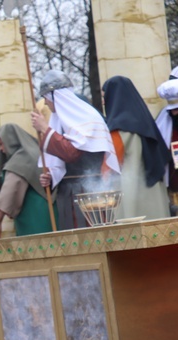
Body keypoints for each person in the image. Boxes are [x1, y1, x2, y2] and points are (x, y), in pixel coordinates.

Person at [32, 69, 120, 229]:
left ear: (55, 96)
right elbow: (63, 160)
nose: (45, 103)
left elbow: (71, 153)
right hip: (68, 193)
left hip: (91, 190)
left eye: (46, 98)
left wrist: (45, 129)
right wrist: (52, 177)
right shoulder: (61, 121)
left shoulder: (89, 119)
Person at [101, 76, 171, 220]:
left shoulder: (117, 129)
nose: (103, 101)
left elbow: (111, 167)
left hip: (132, 191)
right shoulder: (147, 122)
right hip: (153, 190)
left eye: (104, 96)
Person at [0, 124, 57, 239]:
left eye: (1, 144)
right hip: (50, 212)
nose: (1, 149)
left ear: (10, 140)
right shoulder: (35, 151)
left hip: (34, 215)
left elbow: (10, 191)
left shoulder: (21, 158)